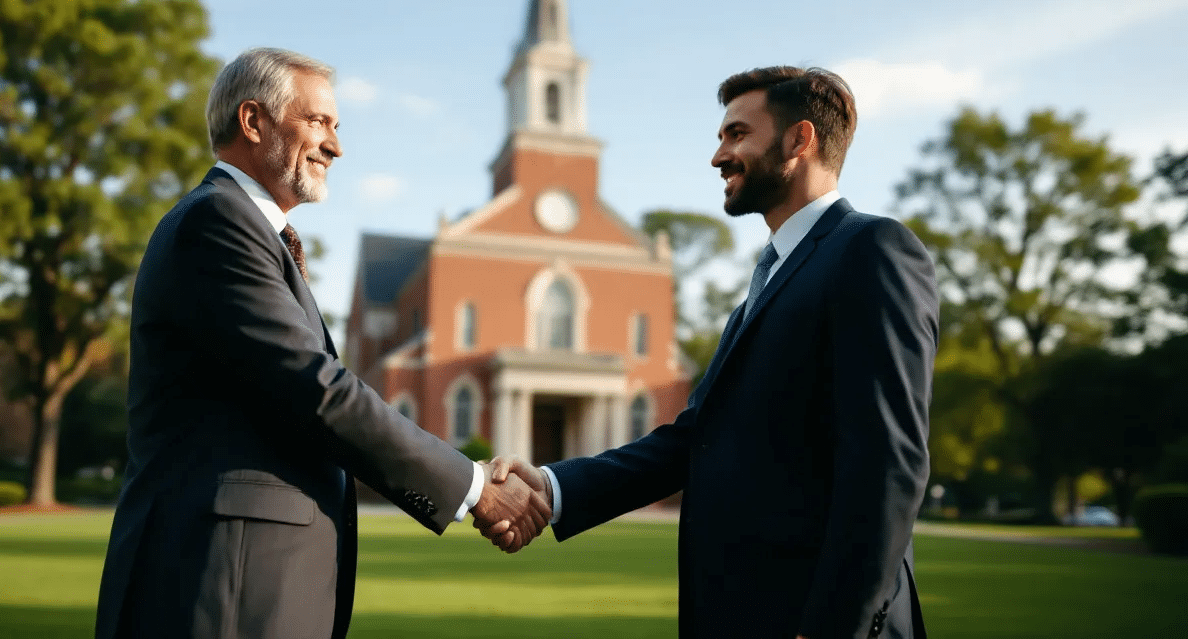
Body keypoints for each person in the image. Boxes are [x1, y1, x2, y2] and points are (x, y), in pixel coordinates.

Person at [95, 47, 549, 639]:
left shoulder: (250, 231)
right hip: (218, 585)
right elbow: (318, 391)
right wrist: (471, 488)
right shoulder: (218, 223)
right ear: (253, 121)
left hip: (245, 580)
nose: (336, 146)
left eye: (337, 126)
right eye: (318, 122)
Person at [485, 66, 937, 639]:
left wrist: (832, 627)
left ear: (800, 140)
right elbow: (692, 439)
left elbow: (889, 462)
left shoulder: (872, 251)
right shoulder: (763, 290)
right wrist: (553, 488)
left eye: (737, 134)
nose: (718, 156)